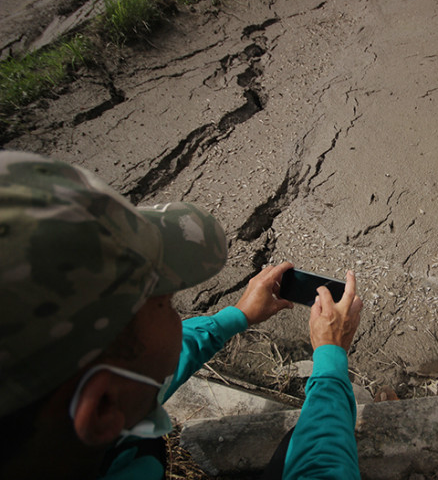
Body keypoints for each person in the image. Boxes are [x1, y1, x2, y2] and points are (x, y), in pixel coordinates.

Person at [0, 151, 362, 479]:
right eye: (165, 303)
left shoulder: (56, 433)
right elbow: (322, 472)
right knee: (295, 450)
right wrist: (331, 355)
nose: (179, 318)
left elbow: (146, 372)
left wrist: (234, 317)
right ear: (103, 407)